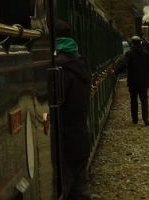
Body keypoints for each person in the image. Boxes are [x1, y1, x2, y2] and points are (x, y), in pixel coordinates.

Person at [56, 29, 92, 200]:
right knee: (79, 186)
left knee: (72, 189)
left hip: (67, 141)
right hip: (80, 137)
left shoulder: (64, 75)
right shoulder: (82, 70)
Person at [115, 35, 149, 125]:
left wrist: (115, 72)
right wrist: (146, 76)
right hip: (143, 82)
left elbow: (123, 65)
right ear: (140, 43)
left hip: (133, 81)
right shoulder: (146, 54)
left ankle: (135, 119)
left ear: (132, 43)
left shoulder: (129, 54)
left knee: (133, 100)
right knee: (144, 100)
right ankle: (145, 119)